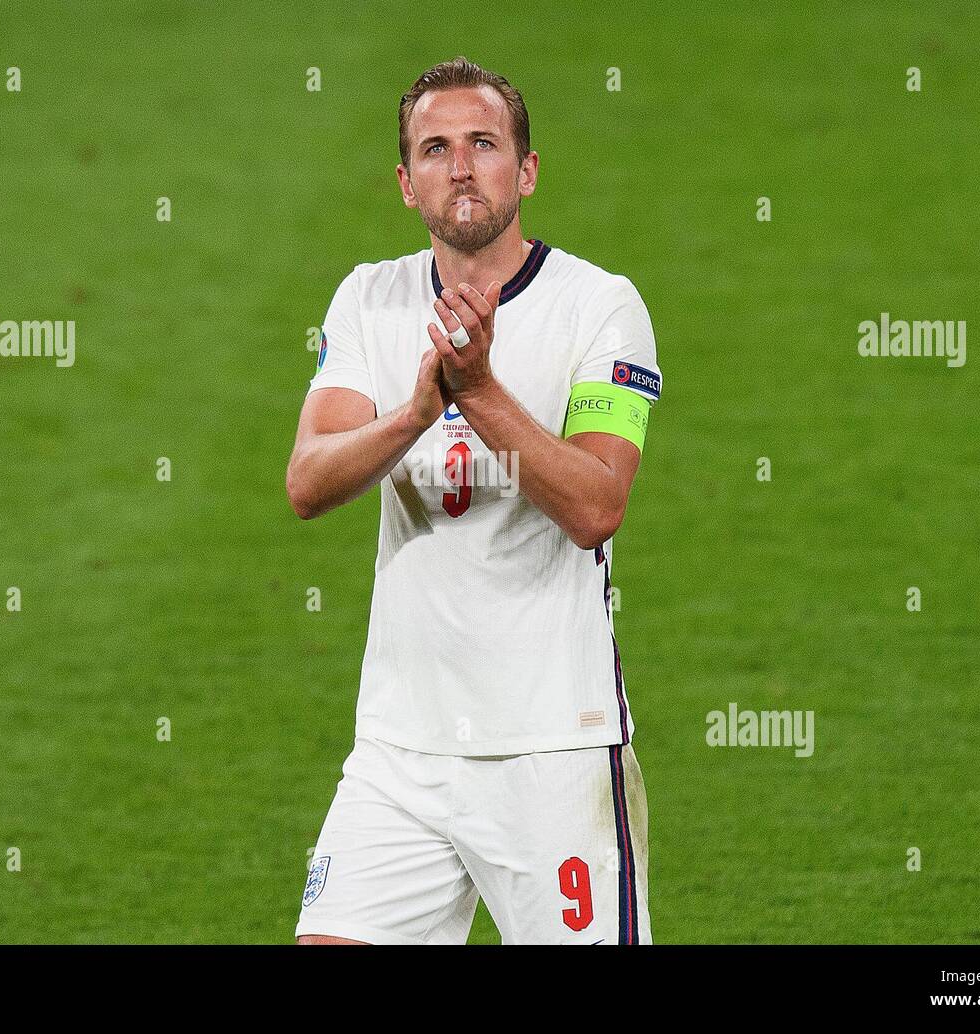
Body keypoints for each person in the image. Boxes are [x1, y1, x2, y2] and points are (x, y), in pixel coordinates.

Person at [286, 56, 662, 944]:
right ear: (406, 183)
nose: (461, 166)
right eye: (436, 149)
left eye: (484, 143)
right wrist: (418, 412)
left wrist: (479, 392)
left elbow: (596, 505)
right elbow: (308, 480)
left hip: (553, 752)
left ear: (526, 171)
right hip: (400, 751)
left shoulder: (599, 307)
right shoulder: (369, 299)